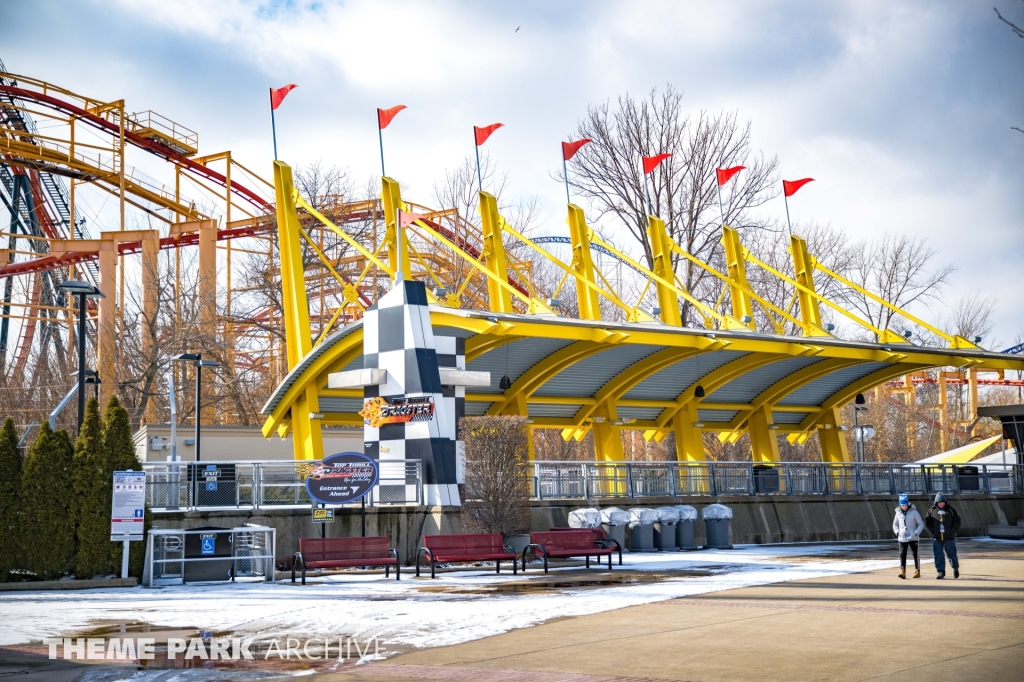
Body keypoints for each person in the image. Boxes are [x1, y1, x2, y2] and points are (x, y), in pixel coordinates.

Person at [924, 492, 961, 579]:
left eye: (943, 502)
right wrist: (932, 530)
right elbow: (927, 521)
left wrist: (952, 531)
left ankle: (955, 568)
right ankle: (941, 571)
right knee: (938, 554)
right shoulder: (932, 510)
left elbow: (957, 521)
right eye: (939, 502)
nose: (941, 503)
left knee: (952, 554)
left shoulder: (951, 510)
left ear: (945, 502)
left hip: (949, 537)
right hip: (937, 537)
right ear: (936, 503)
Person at [892, 493, 925, 579]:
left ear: (908, 504)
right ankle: (903, 571)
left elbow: (921, 524)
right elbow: (895, 524)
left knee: (915, 554)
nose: (904, 507)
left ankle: (917, 570)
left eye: (905, 505)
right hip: (902, 537)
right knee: (902, 554)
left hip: (913, 537)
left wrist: (916, 532)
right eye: (902, 505)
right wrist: (897, 532)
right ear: (900, 505)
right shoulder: (898, 513)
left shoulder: (914, 512)